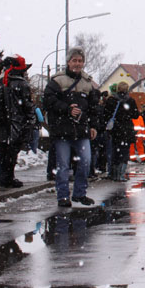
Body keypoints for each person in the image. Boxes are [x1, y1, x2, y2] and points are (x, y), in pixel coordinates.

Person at [43, 46, 98, 207]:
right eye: (74, 60)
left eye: (80, 61)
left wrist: (94, 125)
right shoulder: (57, 81)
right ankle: (63, 196)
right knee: (63, 165)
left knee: (86, 161)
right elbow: (48, 101)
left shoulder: (87, 83)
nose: (77, 64)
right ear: (68, 62)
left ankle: (80, 193)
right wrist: (66, 109)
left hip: (81, 130)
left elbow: (94, 107)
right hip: (62, 130)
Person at [0, 55, 36, 189]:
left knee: (3, 150)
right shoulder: (21, 84)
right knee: (12, 152)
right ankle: (8, 177)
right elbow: (27, 106)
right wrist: (30, 120)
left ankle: (1, 175)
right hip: (17, 123)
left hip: (3, 123)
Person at [103, 81, 139, 181]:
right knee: (125, 151)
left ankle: (114, 174)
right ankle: (122, 174)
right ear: (127, 89)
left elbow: (106, 114)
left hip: (115, 129)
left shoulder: (111, 100)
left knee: (115, 151)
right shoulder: (130, 100)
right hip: (126, 129)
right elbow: (136, 115)